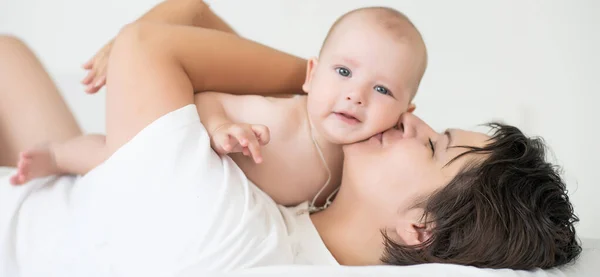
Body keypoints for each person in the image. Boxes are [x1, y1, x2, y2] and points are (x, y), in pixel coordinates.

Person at [0, 20, 581, 277]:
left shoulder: (232, 233)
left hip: (17, 220)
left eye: (433, 147)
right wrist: (341, 92)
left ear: (419, 232)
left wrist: (333, 84)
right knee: (7, 55)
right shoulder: (312, 196)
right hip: (67, 198)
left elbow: (147, 42)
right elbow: (197, 16)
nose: (409, 119)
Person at [9, 6, 427, 209]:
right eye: (342, 71)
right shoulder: (283, 113)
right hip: (177, 149)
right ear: (311, 74)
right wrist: (220, 126)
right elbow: (206, 99)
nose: (356, 95)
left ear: (407, 111)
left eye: (382, 90)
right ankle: (59, 155)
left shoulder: (364, 167)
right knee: (110, 154)